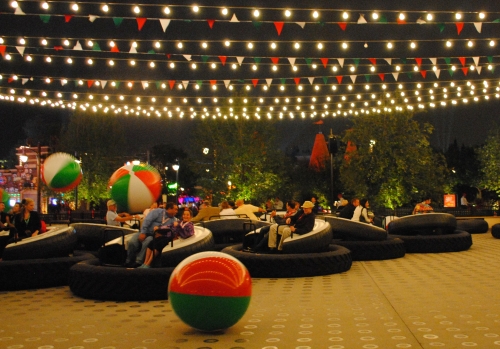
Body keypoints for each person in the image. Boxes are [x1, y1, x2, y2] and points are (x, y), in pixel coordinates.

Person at [125, 202, 178, 268]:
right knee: (132, 242)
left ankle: (138, 262)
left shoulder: (173, 220)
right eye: (175, 209)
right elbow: (147, 221)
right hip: (145, 231)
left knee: (147, 242)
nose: (177, 211)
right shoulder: (157, 212)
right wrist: (143, 232)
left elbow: (171, 231)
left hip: (154, 235)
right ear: (170, 209)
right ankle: (129, 260)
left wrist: (161, 235)